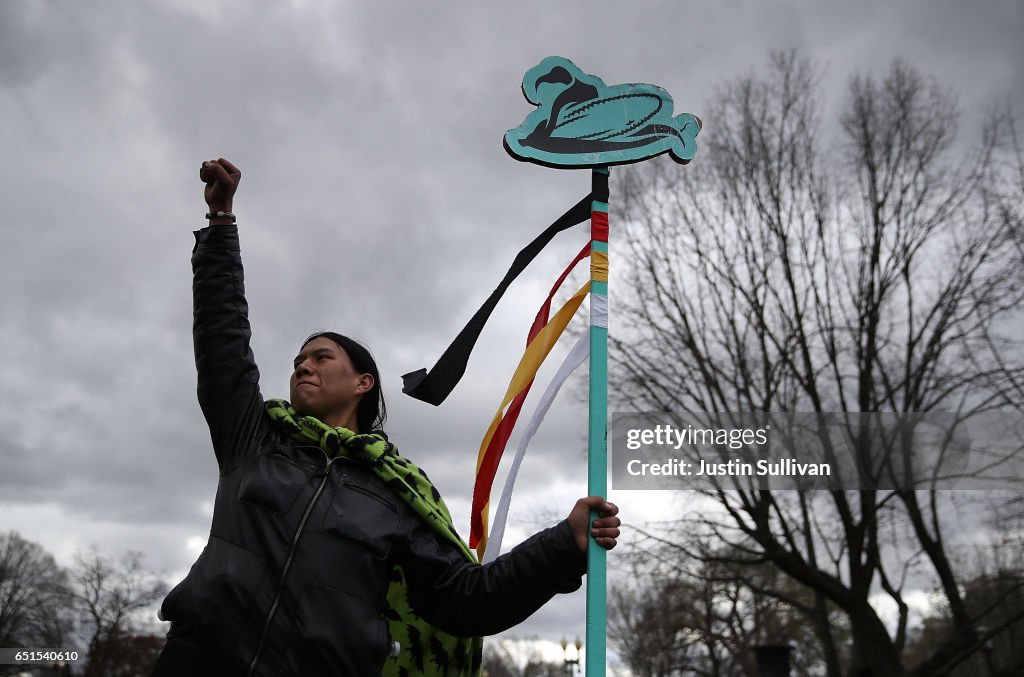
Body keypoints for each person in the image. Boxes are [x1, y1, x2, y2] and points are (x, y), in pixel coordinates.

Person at [152, 158, 621, 676]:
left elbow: (467, 600)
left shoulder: (396, 497)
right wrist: (221, 225)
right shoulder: (253, 441)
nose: (303, 366)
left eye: (321, 357)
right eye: (297, 362)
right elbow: (222, 340)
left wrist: (563, 544)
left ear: (363, 383)